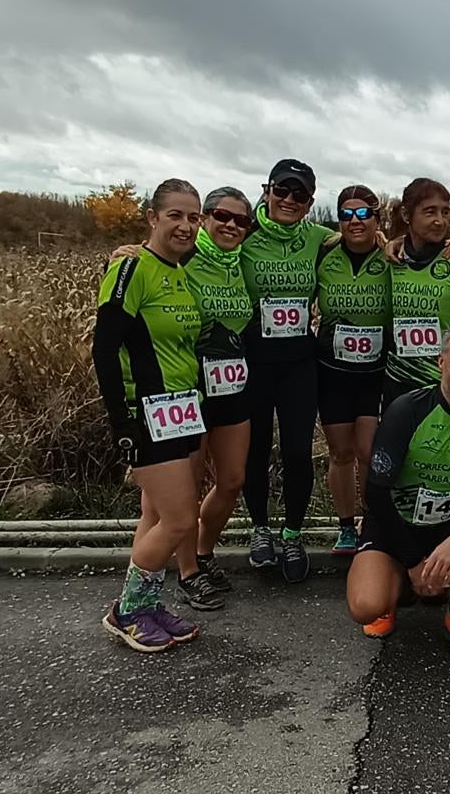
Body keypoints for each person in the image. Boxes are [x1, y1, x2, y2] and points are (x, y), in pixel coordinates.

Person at [346, 322, 450, 665]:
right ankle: (396, 588)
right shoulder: (406, 410)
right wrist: (412, 562)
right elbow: (375, 495)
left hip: (447, 528)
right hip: (395, 525)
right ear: (441, 362)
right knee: (366, 606)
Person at [93, 179, 206, 652]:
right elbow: (104, 349)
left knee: (157, 514)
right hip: (146, 412)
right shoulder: (131, 269)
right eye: (175, 215)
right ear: (152, 217)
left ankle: (149, 603)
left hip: (181, 410)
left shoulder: (180, 269)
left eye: (193, 217)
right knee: (181, 520)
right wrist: (122, 422)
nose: (185, 225)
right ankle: (128, 610)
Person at [239, 158, 332, 580]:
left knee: (297, 452)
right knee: (254, 451)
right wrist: (132, 248)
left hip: (298, 362)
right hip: (252, 362)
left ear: (310, 202)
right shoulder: (244, 234)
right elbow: (188, 247)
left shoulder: (317, 238)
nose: (290, 200)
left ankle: (292, 533)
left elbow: (363, 238)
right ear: (267, 190)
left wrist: (388, 240)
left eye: (300, 195)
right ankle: (261, 531)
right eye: (282, 191)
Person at [182, 186, 256, 607]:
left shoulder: (240, 260)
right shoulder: (187, 254)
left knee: (231, 480)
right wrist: (129, 251)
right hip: (189, 387)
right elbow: (150, 255)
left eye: (240, 220)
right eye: (221, 216)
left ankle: (203, 551)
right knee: (186, 487)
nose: (230, 225)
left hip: (231, 383)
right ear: (205, 218)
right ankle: (188, 571)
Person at [316, 186, 392, 555]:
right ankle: (346, 527)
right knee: (340, 453)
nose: (355, 222)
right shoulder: (324, 253)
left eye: (363, 214)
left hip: (374, 372)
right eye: (346, 215)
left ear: (377, 219)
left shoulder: (392, 254)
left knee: (367, 451)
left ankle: (369, 519)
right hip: (333, 370)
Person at [382, 178, 450, 406]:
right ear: (407, 216)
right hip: (396, 379)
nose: (440, 221)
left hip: (441, 384)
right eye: (430, 212)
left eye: (445, 212)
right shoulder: (391, 259)